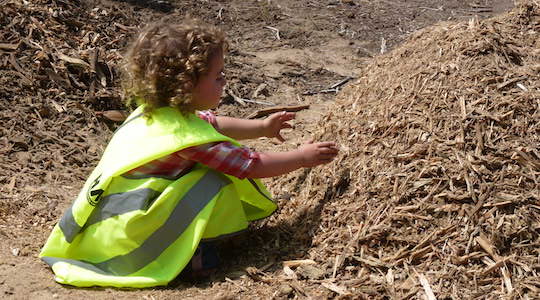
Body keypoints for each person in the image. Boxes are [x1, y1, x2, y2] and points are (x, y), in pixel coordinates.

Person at [39, 19, 339, 288]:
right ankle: (192, 259)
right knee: (210, 183)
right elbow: (250, 165)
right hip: (135, 232)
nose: (224, 82)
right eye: (218, 76)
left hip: (113, 216)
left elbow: (215, 123)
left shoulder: (157, 113)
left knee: (200, 177)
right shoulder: (187, 138)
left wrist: (262, 126)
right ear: (187, 85)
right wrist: (302, 157)